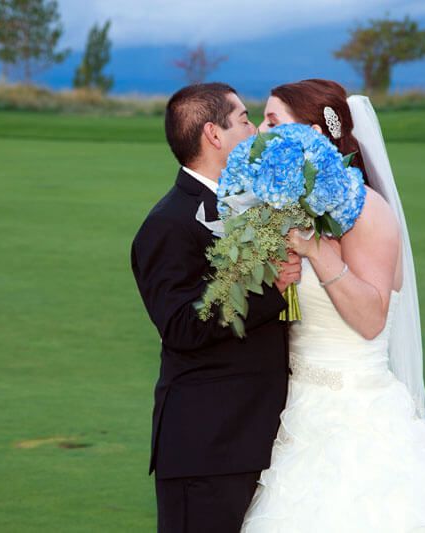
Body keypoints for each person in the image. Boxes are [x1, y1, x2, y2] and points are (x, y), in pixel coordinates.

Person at [240, 79, 425, 531]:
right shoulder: (287, 207)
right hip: (293, 409)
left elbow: (372, 318)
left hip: (354, 414)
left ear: (312, 134)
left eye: (272, 120)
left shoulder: (367, 211)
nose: (258, 128)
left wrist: (316, 253)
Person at [130, 82, 302, 533]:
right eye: (244, 119)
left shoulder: (251, 205)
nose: (253, 129)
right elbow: (182, 326)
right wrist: (273, 292)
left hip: (264, 434)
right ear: (213, 133)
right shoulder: (167, 225)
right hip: (210, 444)